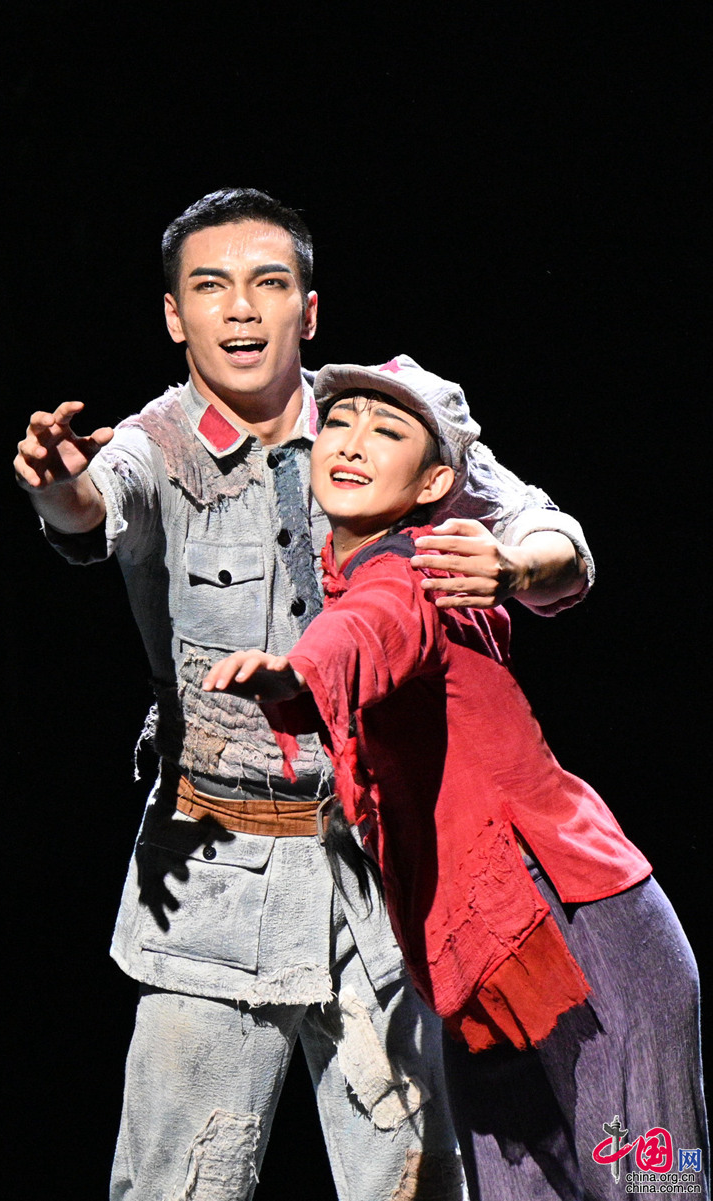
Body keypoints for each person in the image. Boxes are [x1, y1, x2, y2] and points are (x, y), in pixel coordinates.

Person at [14, 188, 594, 1201]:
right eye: (211, 286)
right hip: (213, 884)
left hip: (380, 882)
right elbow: (94, 505)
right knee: (176, 1183)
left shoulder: (379, 419)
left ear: (308, 309)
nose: (241, 308)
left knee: (418, 1180)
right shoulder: (157, 443)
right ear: (174, 315)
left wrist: (513, 567)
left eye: (268, 283)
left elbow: (552, 535)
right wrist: (58, 487)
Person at [203, 355, 709, 1201]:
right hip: (477, 947)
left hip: (569, 913)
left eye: (386, 429)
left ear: (436, 480)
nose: (352, 441)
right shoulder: (350, 576)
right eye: (341, 421)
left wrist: (294, 673)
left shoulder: (411, 569)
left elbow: (372, 629)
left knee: (648, 1179)